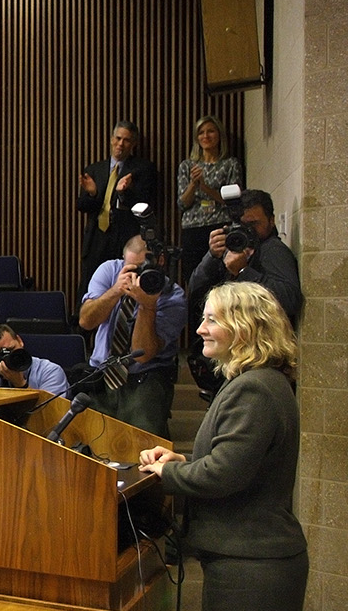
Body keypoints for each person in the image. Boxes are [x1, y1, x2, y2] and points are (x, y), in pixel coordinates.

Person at [138, 282, 306, 611]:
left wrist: (168, 471)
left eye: (212, 320)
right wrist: (182, 460)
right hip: (246, 559)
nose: (200, 329)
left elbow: (222, 474)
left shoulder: (254, 389)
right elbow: (242, 462)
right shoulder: (255, 381)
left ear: (245, 327)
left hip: (253, 566)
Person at [78, 236, 187, 438]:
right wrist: (115, 291)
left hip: (145, 380)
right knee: (93, 446)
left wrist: (147, 306)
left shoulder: (173, 296)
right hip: (102, 374)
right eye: (130, 268)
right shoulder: (110, 270)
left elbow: (143, 354)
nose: (135, 276)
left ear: (159, 261)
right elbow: (86, 321)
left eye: (141, 268)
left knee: (142, 448)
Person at [188, 188, 301, 325]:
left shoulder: (273, 250)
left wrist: (243, 271)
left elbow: (290, 300)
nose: (248, 230)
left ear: (271, 221)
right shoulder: (234, 246)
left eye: (253, 224)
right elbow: (195, 289)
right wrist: (211, 256)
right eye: (242, 225)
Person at [76, 121, 158, 303]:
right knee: (89, 287)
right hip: (97, 238)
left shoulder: (143, 169)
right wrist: (93, 194)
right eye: (118, 138)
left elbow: (144, 204)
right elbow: (82, 205)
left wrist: (124, 193)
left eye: (127, 140)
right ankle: (83, 329)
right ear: (112, 139)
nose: (121, 144)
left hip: (125, 238)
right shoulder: (94, 169)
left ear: (133, 144)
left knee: (125, 286)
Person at [176, 115, 242, 279]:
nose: (205, 136)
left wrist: (204, 186)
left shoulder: (230, 164)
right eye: (201, 133)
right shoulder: (187, 166)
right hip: (193, 228)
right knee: (194, 276)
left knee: (222, 276)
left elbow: (232, 200)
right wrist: (193, 184)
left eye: (210, 131)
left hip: (220, 225)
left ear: (219, 135)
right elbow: (182, 204)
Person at [0, 323, 70, 396]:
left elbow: (50, 414)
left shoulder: (49, 371)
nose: (11, 356)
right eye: (4, 353)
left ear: (20, 341)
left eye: (12, 349)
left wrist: (21, 384)